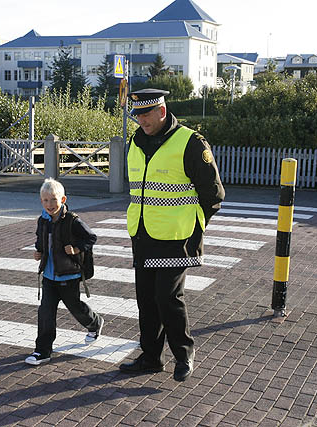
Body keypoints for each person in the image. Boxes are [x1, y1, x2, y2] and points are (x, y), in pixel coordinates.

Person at [119, 89, 225, 381]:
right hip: (143, 236)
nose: (141, 120)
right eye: (137, 115)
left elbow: (213, 194)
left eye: (146, 114)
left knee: (167, 298)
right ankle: (151, 357)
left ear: (162, 112)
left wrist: (195, 225)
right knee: (146, 300)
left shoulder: (190, 142)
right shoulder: (136, 142)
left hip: (176, 239)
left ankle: (184, 354)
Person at [25, 178, 104, 366]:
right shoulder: (42, 220)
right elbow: (40, 240)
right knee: (45, 313)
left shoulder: (72, 220)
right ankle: (42, 351)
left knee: (75, 307)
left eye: (53, 200)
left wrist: (76, 248)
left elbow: (91, 238)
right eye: (45, 200)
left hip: (69, 275)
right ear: (41, 201)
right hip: (49, 276)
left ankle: (95, 323)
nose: (50, 204)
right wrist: (39, 251)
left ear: (63, 199)